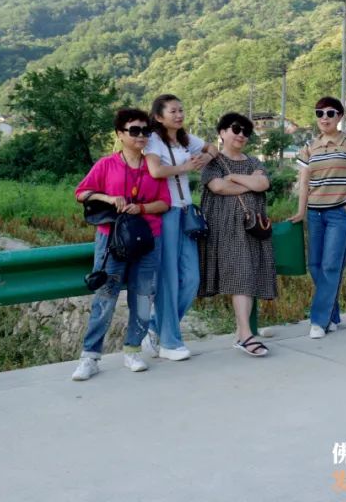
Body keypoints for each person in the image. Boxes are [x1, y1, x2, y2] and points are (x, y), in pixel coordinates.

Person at [72, 108, 172, 381]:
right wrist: (109, 198)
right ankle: (90, 356)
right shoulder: (106, 165)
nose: (141, 136)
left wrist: (139, 208)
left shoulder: (154, 165)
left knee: (142, 296)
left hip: (149, 238)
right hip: (111, 238)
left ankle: (132, 349)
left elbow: (165, 203)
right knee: (106, 294)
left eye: (145, 131)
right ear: (120, 134)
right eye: (134, 130)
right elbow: (81, 193)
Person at [142, 94, 217, 361]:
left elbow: (213, 149)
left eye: (181, 110)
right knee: (169, 278)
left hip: (186, 212)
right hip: (166, 212)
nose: (179, 115)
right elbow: (155, 171)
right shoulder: (153, 139)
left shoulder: (186, 139)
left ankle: (154, 326)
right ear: (159, 116)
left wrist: (200, 162)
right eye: (173, 111)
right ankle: (170, 343)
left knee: (192, 278)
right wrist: (186, 166)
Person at [289, 97, 346, 339]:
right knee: (315, 265)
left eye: (330, 113)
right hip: (315, 213)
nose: (324, 117)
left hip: (340, 213)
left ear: (339, 116)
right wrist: (301, 211)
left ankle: (318, 320)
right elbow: (304, 182)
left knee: (331, 265)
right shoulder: (309, 147)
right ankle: (332, 315)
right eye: (319, 113)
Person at [198, 113, 277, 357]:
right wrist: (247, 183)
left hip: (252, 227)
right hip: (225, 228)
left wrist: (233, 177)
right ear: (222, 132)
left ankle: (242, 333)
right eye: (235, 129)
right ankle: (245, 335)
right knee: (242, 273)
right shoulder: (211, 162)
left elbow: (263, 184)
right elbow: (218, 187)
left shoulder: (253, 161)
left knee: (248, 275)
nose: (241, 134)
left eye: (246, 131)